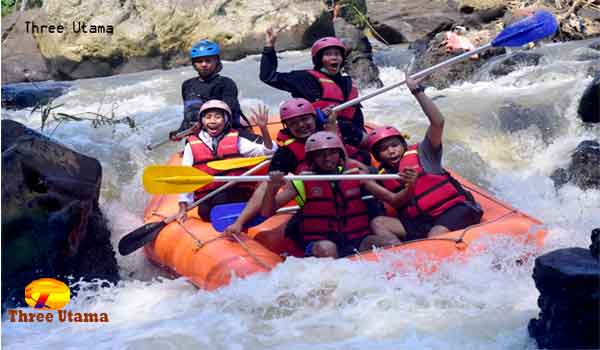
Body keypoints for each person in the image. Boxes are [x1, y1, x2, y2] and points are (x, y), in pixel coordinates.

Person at [364, 78, 483, 241]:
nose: (391, 151)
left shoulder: (424, 153)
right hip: (422, 220)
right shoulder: (383, 175)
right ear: (377, 156)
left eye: (394, 145)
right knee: (379, 223)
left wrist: (417, 91)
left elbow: (438, 122)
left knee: (436, 234)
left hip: (454, 209)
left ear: (403, 145)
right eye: (384, 149)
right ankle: (401, 259)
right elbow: (396, 202)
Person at [260, 131, 399, 258]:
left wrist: (410, 184)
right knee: (328, 248)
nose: (327, 158)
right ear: (311, 158)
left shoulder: (356, 175)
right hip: (321, 242)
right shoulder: (301, 181)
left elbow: (392, 199)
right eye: (320, 154)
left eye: (332, 153)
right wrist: (272, 188)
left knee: (388, 243)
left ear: (340, 155)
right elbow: (267, 211)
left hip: (357, 238)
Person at [223, 98, 335, 235]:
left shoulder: (335, 129)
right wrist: (239, 222)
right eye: (293, 123)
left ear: (314, 117)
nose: (301, 125)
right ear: (286, 126)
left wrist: (332, 124)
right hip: (316, 201)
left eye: (305, 119)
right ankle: (241, 220)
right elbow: (266, 186)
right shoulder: (286, 154)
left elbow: (349, 153)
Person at [260, 30, 370, 163]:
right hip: (313, 134)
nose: (334, 58)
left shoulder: (348, 84)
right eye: (328, 54)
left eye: (337, 54)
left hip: (347, 134)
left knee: (364, 154)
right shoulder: (304, 78)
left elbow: (356, 116)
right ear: (319, 59)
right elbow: (268, 77)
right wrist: (269, 47)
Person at [176, 100, 276, 222]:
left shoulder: (237, 140)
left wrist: (264, 129)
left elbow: (268, 151)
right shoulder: (191, 145)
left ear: (226, 120)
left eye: (218, 117)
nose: (212, 121)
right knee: (205, 210)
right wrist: (183, 207)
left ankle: (237, 221)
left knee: (222, 198)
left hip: (236, 192)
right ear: (202, 121)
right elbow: (186, 177)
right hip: (208, 196)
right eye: (208, 117)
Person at [171, 39, 249, 140]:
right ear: (194, 64)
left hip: (226, 133)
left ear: (216, 61)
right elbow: (189, 115)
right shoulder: (187, 85)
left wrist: (204, 124)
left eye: (208, 60)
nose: (204, 64)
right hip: (199, 136)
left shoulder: (226, 83)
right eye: (199, 61)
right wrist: (180, 132)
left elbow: (230, 112)